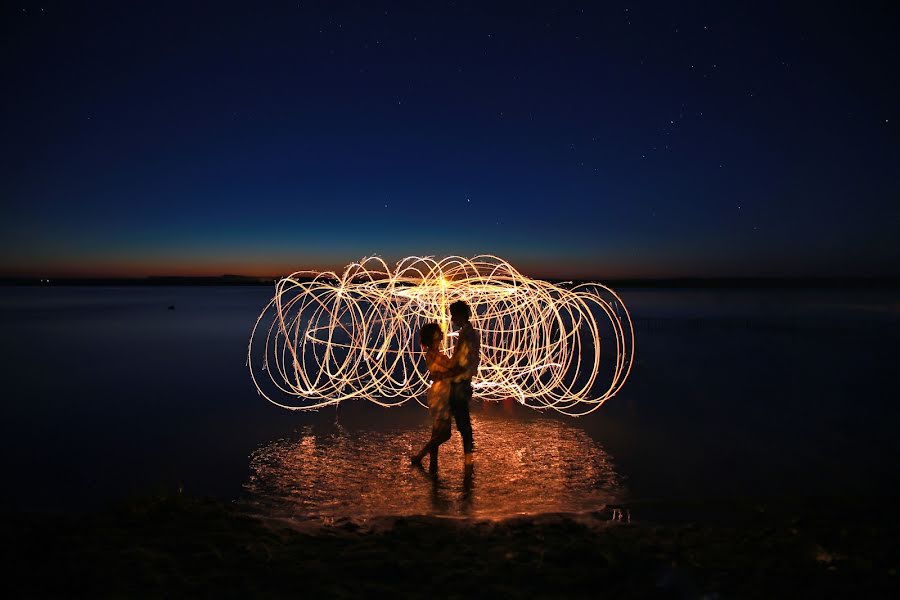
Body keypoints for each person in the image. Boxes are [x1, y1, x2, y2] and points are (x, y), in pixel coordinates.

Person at [411, 322, 454, 472]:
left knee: (436, 432)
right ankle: (420, 456)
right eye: (439, 333)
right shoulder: (433, 355)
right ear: (433, 337)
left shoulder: (434, 354)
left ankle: (433, 465)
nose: (442, 335)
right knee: (446, 434)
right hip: (441, 395)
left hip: (439, 393)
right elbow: (449, 369)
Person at [447, 300, 480, 468]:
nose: (451, 318)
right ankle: (468, 454)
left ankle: (468, 456)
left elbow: (467, 358)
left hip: (461, 381)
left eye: (453, 315)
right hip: (463, 380)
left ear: (460, 315)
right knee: (461, 416)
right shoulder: (468, 332)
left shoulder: (467, 333)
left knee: (461, 417)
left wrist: (452, 369)